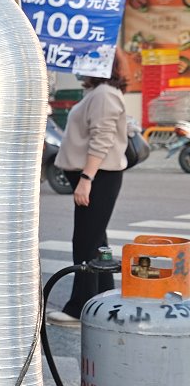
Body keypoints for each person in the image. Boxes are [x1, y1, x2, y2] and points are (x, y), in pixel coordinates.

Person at [47, 66, 129, 326]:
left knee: (85, 243)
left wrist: (86, 179)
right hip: (95, 176)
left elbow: (101, 138)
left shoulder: (105, 93)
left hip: (98, 177)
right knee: (96, 244)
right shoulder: (98, 92)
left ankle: (79, 307)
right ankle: (106, 303)